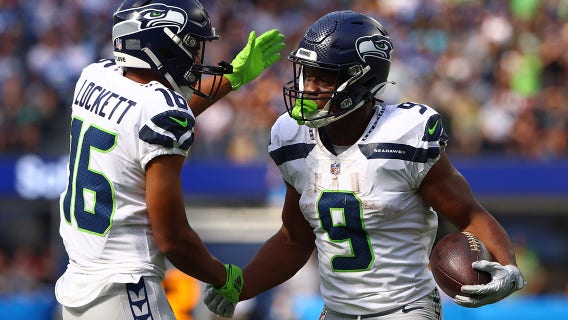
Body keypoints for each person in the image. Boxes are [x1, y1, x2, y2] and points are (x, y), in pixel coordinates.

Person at [203, 10, 525, 319]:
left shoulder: (404, 136)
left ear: (359, 80)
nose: (307, 88)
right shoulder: (292, 138)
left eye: (323, 78)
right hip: (337, 310)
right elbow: (295, 240)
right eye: (306, 74)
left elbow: (468, 213)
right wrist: (240, 286)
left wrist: (509, 268)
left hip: (404, 309)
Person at [54, 0, 284, 319]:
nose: (197, 57)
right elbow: (173, 240)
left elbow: (146, 113)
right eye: (192, 45)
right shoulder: (161, 113)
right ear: (164, 45)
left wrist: (231, 77)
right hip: (126, 288)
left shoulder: (93, 76)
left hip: (78, 287)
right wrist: (224, 277)